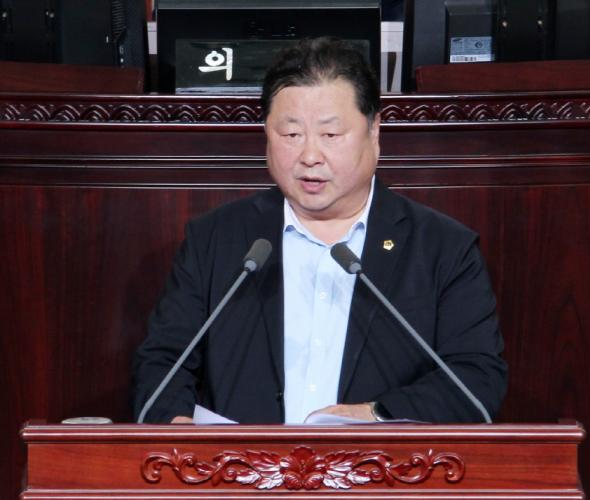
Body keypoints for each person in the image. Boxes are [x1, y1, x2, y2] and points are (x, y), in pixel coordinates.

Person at [132, 37, 507, 425]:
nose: (310, 156)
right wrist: (178, 429)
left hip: (380, 463)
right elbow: (161, 364)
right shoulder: (215, 240)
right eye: (291, 135)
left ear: (374, 132)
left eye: (330, 135)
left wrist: (376, 415)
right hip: (236, 463)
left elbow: (476, 380)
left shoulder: (443, 249)